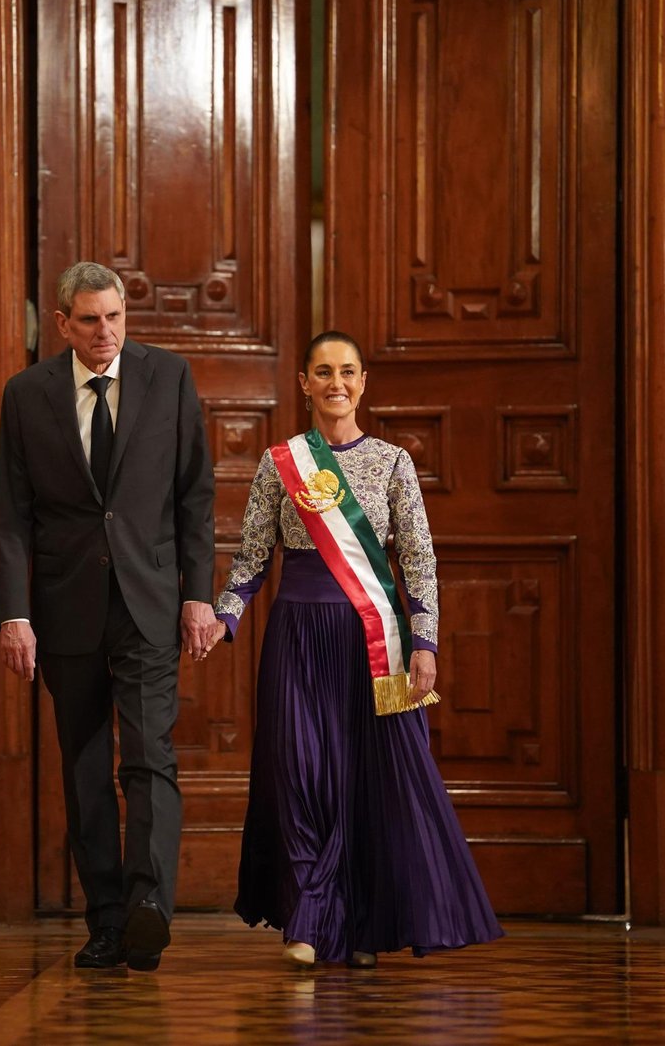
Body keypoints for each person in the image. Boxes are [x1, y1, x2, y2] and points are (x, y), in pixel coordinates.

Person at [205, 330, 503, 968]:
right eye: (323, 372)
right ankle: (311, 918)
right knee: (298, 774)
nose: (335, 383)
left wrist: (425, 644)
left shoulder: (394, 463)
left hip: (374, 644)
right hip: (296, 638)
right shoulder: (279, 462)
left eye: (347, 372)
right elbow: (252, 555)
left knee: (365, 781)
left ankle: (357, 926)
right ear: (305, 384)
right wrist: (224, 615)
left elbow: (418, 560)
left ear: (363, 383)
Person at [0, 261, 217, 972]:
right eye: (90, 320)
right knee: (86, 768)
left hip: (149, 603)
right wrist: (14, 613)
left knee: (149, 757)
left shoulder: (168, 377)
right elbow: (12, 515)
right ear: (63, 324)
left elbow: (195, 496)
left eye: (115, 317)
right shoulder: (26, 394)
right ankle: (107, 921)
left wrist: (199, 594)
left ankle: (149, 909)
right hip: (66, 609)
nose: (105, 333)